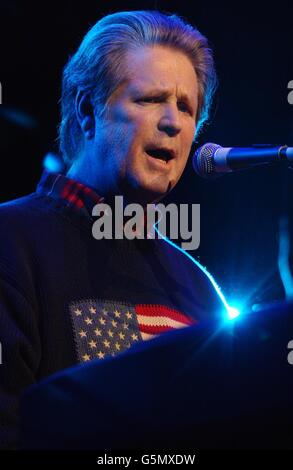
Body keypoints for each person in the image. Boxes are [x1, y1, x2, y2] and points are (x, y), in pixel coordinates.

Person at [0, 10, 225, 449]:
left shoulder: (200, 288)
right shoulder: (11, 240)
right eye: (150, 99)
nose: (174, 122)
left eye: (186, 107)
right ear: (88, 110)